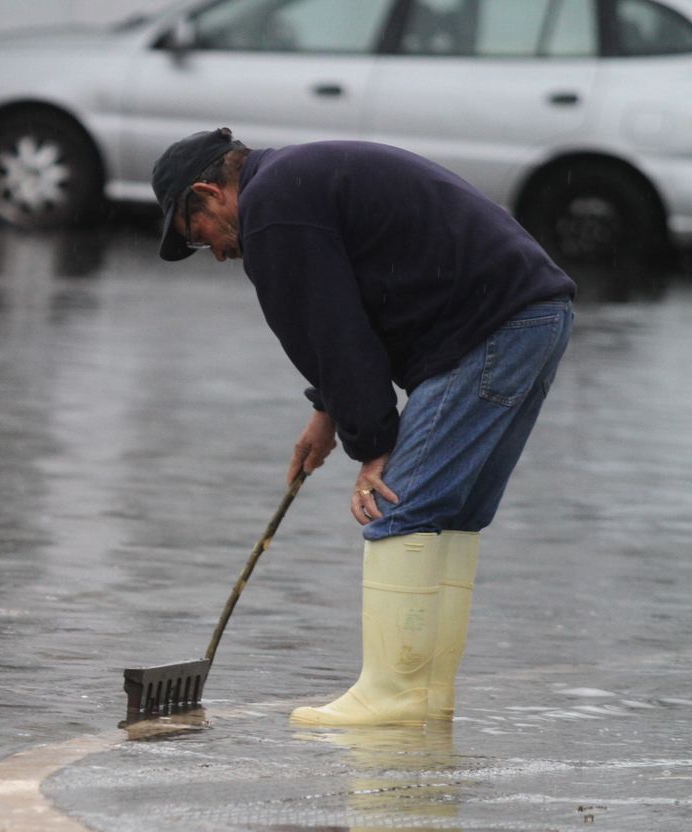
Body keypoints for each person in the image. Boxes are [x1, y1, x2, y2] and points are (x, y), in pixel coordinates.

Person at [150, 128, 575, 727]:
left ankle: (392, 697)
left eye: (200, 239)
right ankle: (426, 697)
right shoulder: (295, 182)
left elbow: (334, 328)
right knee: (450, 517)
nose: (218, 254)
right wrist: (326, 413)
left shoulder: (272, 209)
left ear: (209, 192)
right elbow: (350, 303)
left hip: (486, 327)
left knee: (398, 507)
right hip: (534, 315)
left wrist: (372, 446)